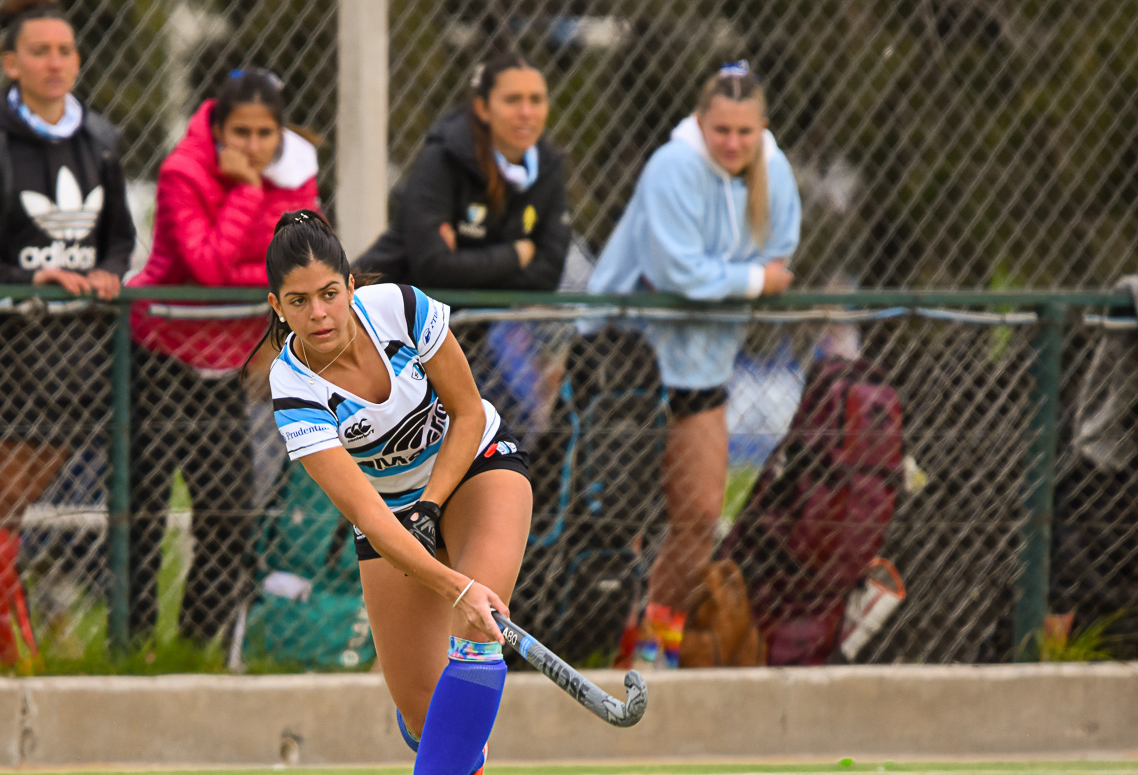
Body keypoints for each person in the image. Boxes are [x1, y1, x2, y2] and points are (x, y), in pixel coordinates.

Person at [263, 210, 531, 775]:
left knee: (475, 632)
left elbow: (465, 411)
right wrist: (453, 583)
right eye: (298, 301)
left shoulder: (401, 310)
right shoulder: (293, 386)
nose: (318, 313)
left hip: (475, 465)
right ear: (277, 306)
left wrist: (434, 509)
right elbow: (367, 512)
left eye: (329, 293)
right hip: (387, 512)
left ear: (351, 285)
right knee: (420, 711)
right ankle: (460, 764)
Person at [583, 61, 801, 670]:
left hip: (704, 370)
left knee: (701, 515)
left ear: (762, 128)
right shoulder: (671, 166)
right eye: (721, 130)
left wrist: (728, 281)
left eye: (745, 132)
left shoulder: (775, 171)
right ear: (700, 124)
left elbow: (781, 251)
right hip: (625, 363)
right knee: (615, 519)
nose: (732, 143)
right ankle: (596, 642)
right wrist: (751, 280)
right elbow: (679, 274)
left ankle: (655, 647)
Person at [0, 0, 136, 668]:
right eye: (40, 51)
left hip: (73, 355)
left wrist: (108, 271)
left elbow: (120, 237)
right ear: (11, 63)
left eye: (65, 50)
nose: (55, 62)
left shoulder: (100, 141)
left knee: (19, 504)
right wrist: (25, 279)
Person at [125, 67, 319, 643]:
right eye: (241, 133)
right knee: (141, 515)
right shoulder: (182, 171)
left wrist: (257, 271)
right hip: (159, 356)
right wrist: (249, 193)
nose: (254, 146)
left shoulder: (296, 175)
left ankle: (194, 646)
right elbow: (207, 266)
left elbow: (305, 265)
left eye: (265, 134)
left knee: (229, 514)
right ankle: (132, 645)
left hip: (223, 367)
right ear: (218, 131)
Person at [356, 50, 569, 435]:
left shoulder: (549, 168)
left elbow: (547, 275)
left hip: (465, 338)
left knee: (492, 434)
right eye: (512, 100)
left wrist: (467, 265)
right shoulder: (444, 158)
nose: (526, 112)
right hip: (386, 330)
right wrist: (516, 254)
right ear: (483, 108)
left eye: (536, 100)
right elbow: (433, 268)